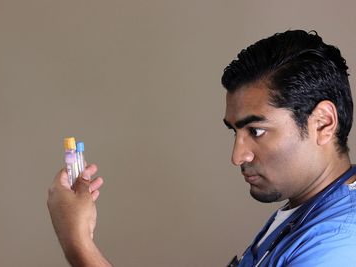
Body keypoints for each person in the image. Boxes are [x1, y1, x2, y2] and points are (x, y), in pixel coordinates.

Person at [47, 30, 356, 266]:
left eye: (257, 131)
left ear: (323, 123)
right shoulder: (303, 211)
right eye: (234, 131)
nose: (238, 157)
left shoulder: (337, 242)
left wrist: (77, 242)